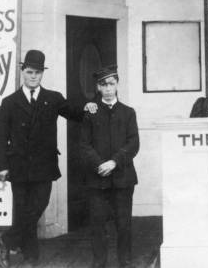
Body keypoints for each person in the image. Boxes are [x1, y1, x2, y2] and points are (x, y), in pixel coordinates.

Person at [0, 50, 97, 268]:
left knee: (37, 206)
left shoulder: (53, 98)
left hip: (44, 165)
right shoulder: (9, 102)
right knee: (24, 210)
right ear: (23, 72)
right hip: (19, 166)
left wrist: (87, 107)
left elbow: (75, 114)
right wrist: (2, 166)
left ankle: (7, 240)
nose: (33, 76)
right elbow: (1, 137)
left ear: (42, 74)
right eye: (30, 72)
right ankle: (31, 257)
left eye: (38, 73)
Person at [80, 65, 139, 268]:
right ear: (98, 87)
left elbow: (133, 143)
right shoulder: (90, 112)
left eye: (111, 84)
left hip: (123, 177)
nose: (107, 88)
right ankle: (99, 262)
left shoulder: (128, 112)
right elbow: (84, 144)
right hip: (97, 178)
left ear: (117, 85)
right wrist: (99, 164)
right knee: (97, 224)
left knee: (124, 223)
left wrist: (114, 162)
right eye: (103, 84)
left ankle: (125, 260)